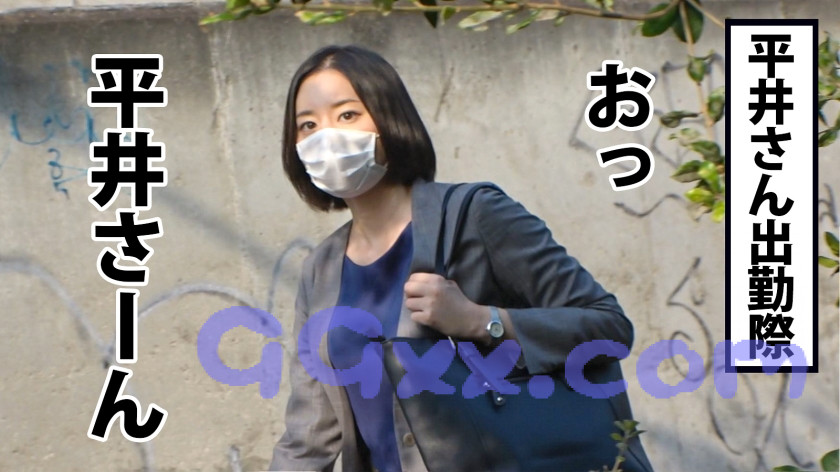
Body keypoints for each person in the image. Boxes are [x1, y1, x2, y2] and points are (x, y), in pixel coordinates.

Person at [270, 44, 653, 472]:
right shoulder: (321, 270)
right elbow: (308, 436)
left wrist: (481, 321)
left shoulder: (476, 215)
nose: (326, 136)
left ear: (389, 118)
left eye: (347, 114)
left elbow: (610, 327)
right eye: (307, 125)